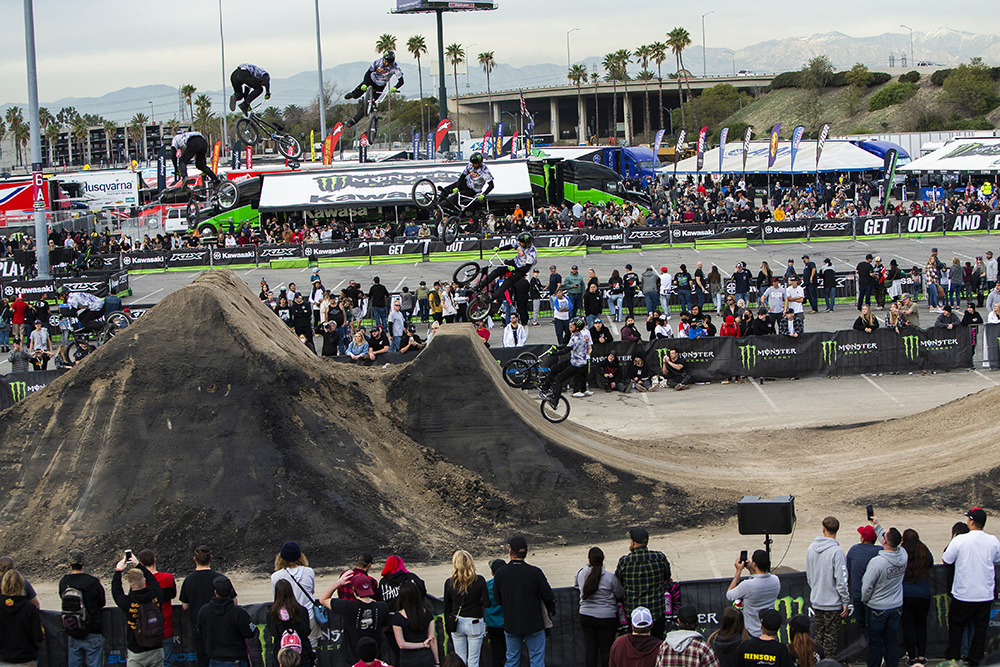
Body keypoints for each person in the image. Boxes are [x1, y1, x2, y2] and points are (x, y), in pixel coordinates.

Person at [942, 507, 1000, 666]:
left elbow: (947, 560)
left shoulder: (960, 540)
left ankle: (953, 659)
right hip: (985, 594)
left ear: (972, 521)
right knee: (980, 630)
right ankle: (976, 660)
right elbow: (997, 559)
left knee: (956, 629)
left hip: (963, 594)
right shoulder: (993, 540)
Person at [493, 535, 555, 667]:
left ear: (510, 552)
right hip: (534, 623)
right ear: (526, 551)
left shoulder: (501, 573)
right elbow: (549, 596)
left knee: (512, 660)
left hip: (512, 623)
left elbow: (498, 600)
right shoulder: (535, 572)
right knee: (537, 660)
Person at [180, 545, 237, 667]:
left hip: (199, 628)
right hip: (221, 627)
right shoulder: (220, 579)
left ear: (195, 559)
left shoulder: (188, 580)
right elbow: (235, 602)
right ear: (210, 558)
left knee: (203, 662)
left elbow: (185, 606)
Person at [321, 572, 389, 666]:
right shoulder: (382, 607)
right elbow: (384, 627)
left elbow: (323, 599)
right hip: (374, 656)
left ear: (353, 589)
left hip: (351, 656)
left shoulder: (348, 606)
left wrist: (338, 583)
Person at [861, 526, 907, 667]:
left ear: (884, 541)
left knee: (875, 642)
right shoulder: (903, 555)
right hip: (896, 606)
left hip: (877, 607)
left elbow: (867, 586)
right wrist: (877, 525)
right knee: (891, 641)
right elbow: (892, 541)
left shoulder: (877, 562)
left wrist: (866, 600)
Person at [805, 517, 849, 660]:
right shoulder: (837, 552)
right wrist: (845, 600)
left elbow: (809, 577)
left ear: (823, 529)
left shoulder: (811, 549)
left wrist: (816, 590)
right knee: (830, 639)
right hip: (832, 603)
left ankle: (817, 661)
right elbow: (841, 580)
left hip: (817, 601)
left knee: (819, 636)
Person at [615, 527, 671, 639]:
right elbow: (667, 577)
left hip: (634, 615)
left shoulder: (625, 562)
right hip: (656, 612)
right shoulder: (659, 557)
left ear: (633, 542)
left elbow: (618, 582)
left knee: (636, 646)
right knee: (657, 643)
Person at [112, 554, 165, 667]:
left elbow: (116, 591)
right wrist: (139, 566)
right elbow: (153, 581)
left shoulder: (128, 603)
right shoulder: (156, 597)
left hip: (136, 651)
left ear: (131, 586)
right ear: (144, 580)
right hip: (156, 649)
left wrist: (118, 571)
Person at [576, 547, 624, 667]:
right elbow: (619, 593)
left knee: (591, 649)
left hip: (586, 616)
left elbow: (577, 587)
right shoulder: (610, 577)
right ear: (603, 560)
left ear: (589, 559)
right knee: (606, 650)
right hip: (607, 617)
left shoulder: (581, 574)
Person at [59, 548, 106, 667]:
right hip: (93, 630)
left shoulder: (64, 582)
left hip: (73, 628)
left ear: (69, 565)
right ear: (83, 564)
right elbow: (102, 603)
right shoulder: (94, 582)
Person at [444, 550, 491, 667]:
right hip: (474, 621)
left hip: (457, 621)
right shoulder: (479, 580)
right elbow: (487, 603)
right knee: (473, 660)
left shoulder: (450, 582)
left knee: (460, 659)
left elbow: (447, 607)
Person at [198, 576, 254, 667]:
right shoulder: (239, 613)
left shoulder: (204, 611)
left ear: (215, 592)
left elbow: (199, 634)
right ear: (231, 592)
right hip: (236, 659)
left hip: (215, 659)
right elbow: (250, 633)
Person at [271, 542, 320, 645]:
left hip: (286, 622)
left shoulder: (275, 576)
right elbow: (312, 590)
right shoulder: (309, 572)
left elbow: (276, 597)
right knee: (311, 649)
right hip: (308, 618)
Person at [725, 550, 779, 638]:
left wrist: (738, 571)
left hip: (751, 632)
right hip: (768, 630)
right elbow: (758, 580)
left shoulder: (747, 585)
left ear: (754, 564)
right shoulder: (776, 580)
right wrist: (751, 568)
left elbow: (730, 595)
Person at [344, 51, 405, 128]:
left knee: (368, 105)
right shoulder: (377, 62)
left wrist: (395, 87)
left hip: (380, 85)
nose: (387, 64)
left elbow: (401, 81)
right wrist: (364, 83)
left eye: (389, 62)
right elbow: (368, 73)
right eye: (386, 61)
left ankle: (353, 121)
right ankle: (352, 94)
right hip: (370, 80)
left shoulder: (395, 67)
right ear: (383, 59)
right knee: (357, 94)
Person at [136, 551, 176, 665]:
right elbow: (173, 595)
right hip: (165, 628)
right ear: (154, 560)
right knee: (166, 662)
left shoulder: (139, 584)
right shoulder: (168, 578)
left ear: (141, 564)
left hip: (147, 631)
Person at [900, 529, 933, 666]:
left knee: (908, 627)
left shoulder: (901, 551)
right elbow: (931, 564)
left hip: (906, 594)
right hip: (923, 594)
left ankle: (911, 657)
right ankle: (921, 656)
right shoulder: (924, 550)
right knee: (921, 625)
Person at [846, 522, 883, 642]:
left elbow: (848, 571)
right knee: (877, 627)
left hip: (860, 595)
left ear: (862, 538)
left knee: (864, 625)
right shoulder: (880, 550)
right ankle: (877, 649)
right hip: (876, 596)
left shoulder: (854, 550)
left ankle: (874, 648)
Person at [0, 569, 43, 667]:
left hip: (3, 659)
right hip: (26, 660)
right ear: (21, 585)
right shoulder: (30, 609)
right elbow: (39, 637)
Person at [391, 579, 439, 667]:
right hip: (426, 657)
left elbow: (401, 644)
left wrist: (421, 645)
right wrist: (437, 662)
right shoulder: (427, 614)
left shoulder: (397, 618)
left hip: (408, 659)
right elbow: (432, 639)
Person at [268, 579, 314, 667]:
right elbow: (306, 631)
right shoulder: (302, 611)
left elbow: (274, 633)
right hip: (302, 655)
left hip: (281, 657)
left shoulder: (272, 614)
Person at [488, 233, 537, 309]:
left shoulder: (532, 252)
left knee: (507, 282)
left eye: (521, 243)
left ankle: (492, 297)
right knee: (497, 271)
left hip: (522, 269)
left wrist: (515, 269)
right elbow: (510, 246)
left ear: (527, 243)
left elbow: (526, 268)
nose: (519, 244)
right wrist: (500, 249)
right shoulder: (520, 243)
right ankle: (478, 286)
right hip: (515, 262)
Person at [485, 559, 507, 667]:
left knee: (497, 654)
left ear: (492, 573)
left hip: (492, 624)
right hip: (508, 624)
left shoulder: (487, 586)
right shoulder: (510, 585)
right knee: (511, 653)